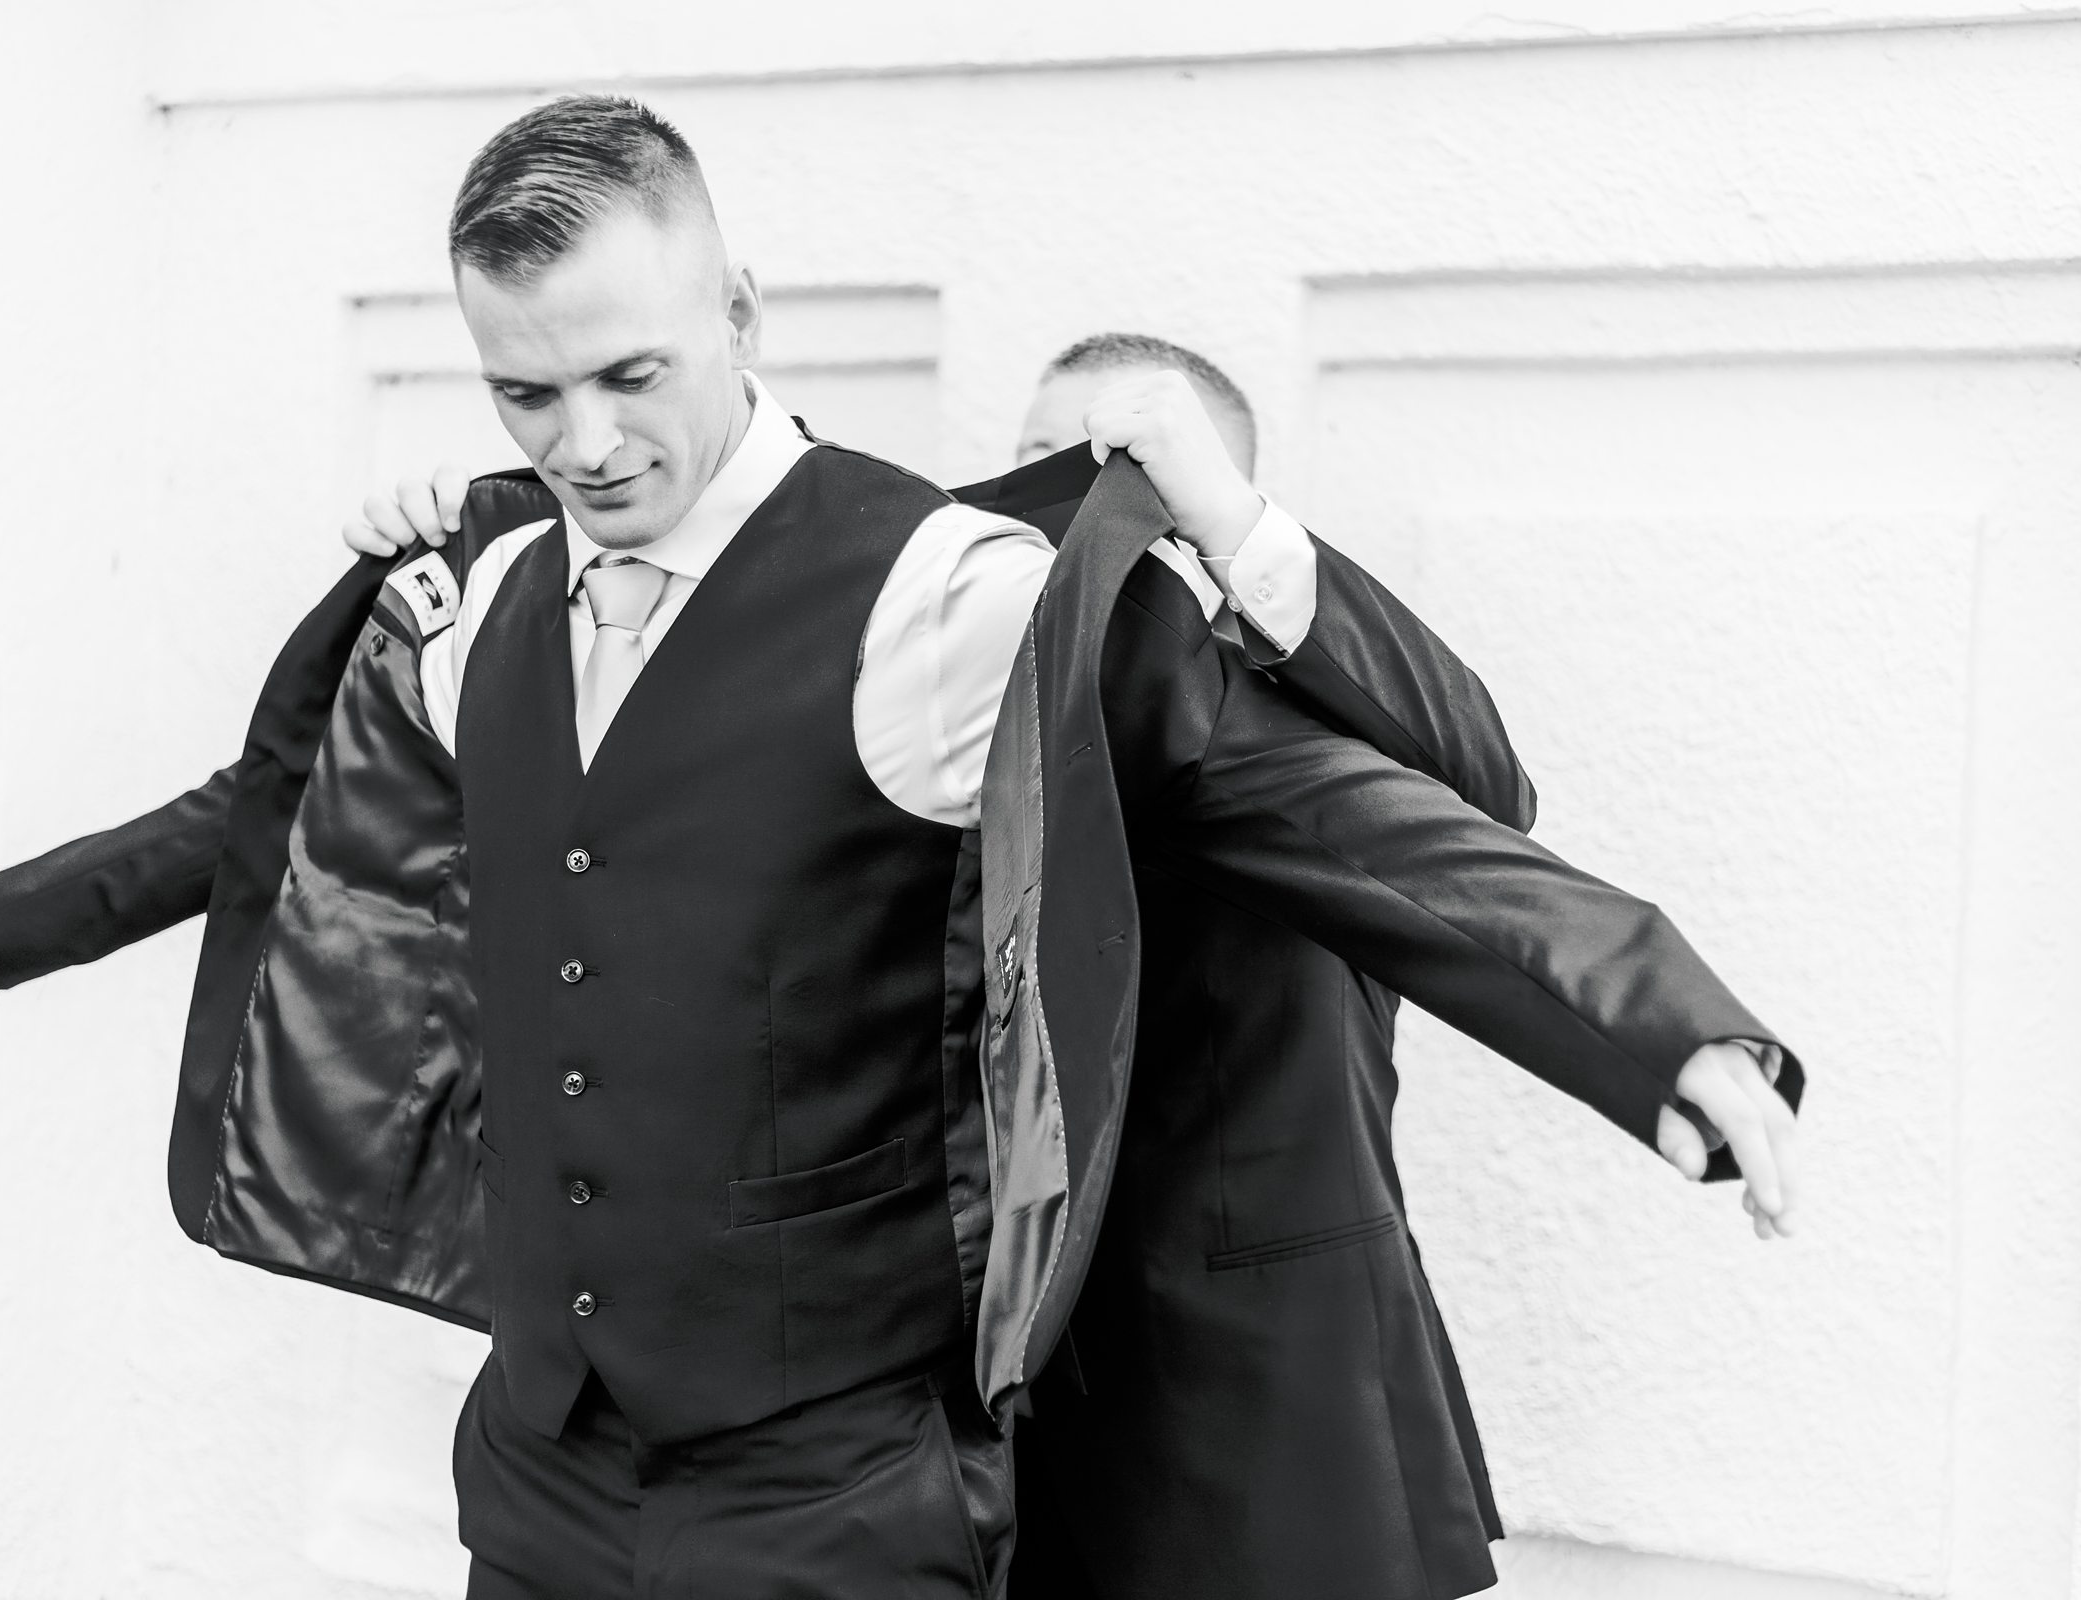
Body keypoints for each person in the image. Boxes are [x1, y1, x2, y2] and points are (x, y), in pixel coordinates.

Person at [0, 96, 1803, 1600]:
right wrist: (7, 925)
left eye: (633, 375)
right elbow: (282, 822)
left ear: (740, 315)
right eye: (525, 392)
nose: (584, 439)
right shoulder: (483, 597)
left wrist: (1656, 1019)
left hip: (832, 1502)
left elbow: (1313, 798)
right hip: (542, 1476)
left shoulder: (945, 593)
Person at [351, 333, 1791, 1598]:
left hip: (1259, 1405)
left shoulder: (1285, 682)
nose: (1071, 493)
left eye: (1118, 460)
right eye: (1040, 459)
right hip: (1007, 1402)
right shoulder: (956, 673)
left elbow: (1477, 793)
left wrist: (1661, 1029)